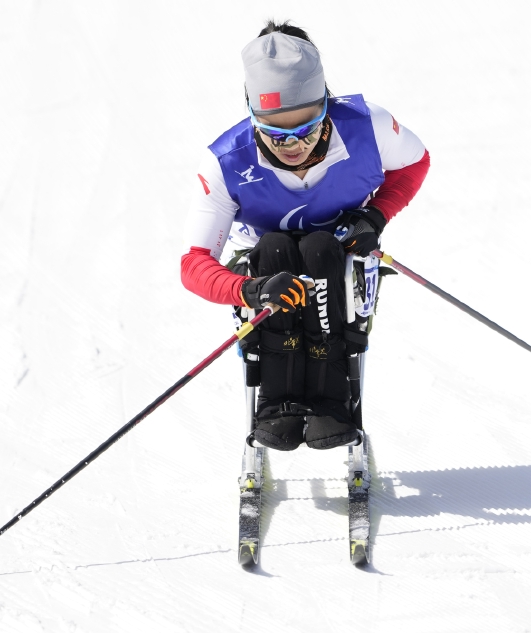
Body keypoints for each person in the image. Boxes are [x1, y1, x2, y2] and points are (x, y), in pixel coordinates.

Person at [180, 21, 430, 452]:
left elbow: (414, 163)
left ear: (327, 104)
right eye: (275, 133)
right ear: (253, 116)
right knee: (276, 248)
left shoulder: (368, 125)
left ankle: (331, 398)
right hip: (265, 259)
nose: (292, 145)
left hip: (341, 249)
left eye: (308, 127)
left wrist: (374, 216)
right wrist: (249, 289)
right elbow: (193, 264)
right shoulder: (224, 163)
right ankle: (277, 401)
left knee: (320, 249)